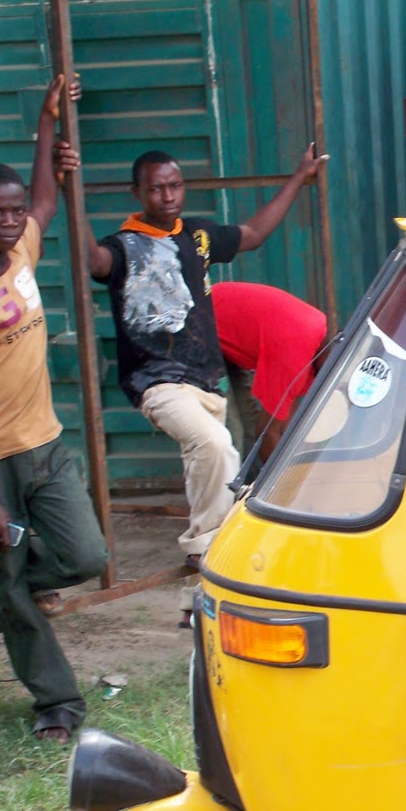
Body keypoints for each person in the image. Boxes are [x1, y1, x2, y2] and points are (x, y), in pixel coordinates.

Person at [0, 75, 109, 744]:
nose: (12, 220)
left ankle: (21, 577)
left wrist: (45, 125)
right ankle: (56, 704)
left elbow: (44, 198)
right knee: (9, 592)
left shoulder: (22, 250)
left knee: (86, 553)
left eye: (14, 213)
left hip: (45, 442)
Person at [85, 143, 328, 566]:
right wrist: (69, 191)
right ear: (137, 193)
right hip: (156, 380)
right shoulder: (123, 246)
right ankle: (213, 554)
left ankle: (195, 594)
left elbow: (252, 235)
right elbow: (93, 260)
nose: (168, 196)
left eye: (175, 186)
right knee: (216, 446)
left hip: (204, 380)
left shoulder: (195, 235)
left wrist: (297, 178)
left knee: (214, 468)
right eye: (157, 189)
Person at [210, 282, 327, 462]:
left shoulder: (319, 334)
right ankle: (232, 489)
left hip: (226, 330)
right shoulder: (294, 360)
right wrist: (283, 487)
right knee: (231, 434)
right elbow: (268, 433)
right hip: (201, 330)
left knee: (248, 422)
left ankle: (248, 486)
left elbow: (286, 420)